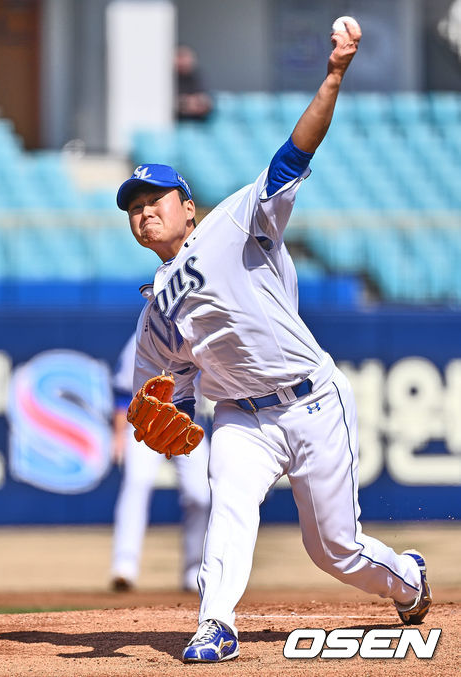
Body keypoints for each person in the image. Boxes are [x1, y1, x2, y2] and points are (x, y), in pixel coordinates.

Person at [115, 18, 432, 664]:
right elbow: (156, 390)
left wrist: (335, 75)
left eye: (156, 198)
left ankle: (408, 578)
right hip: (239, 417)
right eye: (134, 206)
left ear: (188, 205)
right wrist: (158, 410)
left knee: (335, 548)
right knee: (228, 503)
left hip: (312, 399)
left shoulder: (236, 220)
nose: (145, 210)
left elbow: (295, 153)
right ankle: (215, 624)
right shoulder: (153, 315)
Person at [110, 331, 211, 593]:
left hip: (188, 424)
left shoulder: (201, 331)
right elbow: (123, 393)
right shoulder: (142, 335)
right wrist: (118, 436)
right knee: (137, 484)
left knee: (200, 495)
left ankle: (194, 569)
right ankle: (125, 565)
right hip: (143, 425)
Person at [175, 45, 214, 122]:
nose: (184, 61)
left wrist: (200, 103)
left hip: (198, 122)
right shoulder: (164, 79)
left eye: (187, 57)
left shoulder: (195, 76)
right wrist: (184, 103)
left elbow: (205, 100)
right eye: (180, 56)